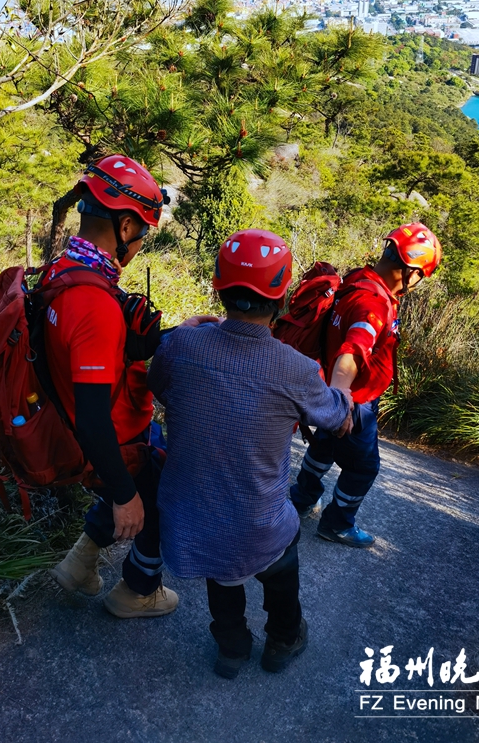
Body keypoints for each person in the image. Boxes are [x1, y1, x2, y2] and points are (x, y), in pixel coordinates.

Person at [147, 229, 353, 679]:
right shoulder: (296, 369)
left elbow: (158, 383)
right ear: (281, 297)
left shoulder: (181, 346)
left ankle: (232, 647)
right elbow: (337, 419)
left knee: (222, 568)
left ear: (219, 287)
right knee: (278, 544)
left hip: (190, 523)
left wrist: (184, 334)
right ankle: (283, 637)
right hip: (256, 527)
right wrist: (342, 381)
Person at [48, 154, 210, 618]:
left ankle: (80, 564)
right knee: (160, 497)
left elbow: (101, 349)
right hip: (112, 439)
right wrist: (125, 497)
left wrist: (173, 334)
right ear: (123, 228)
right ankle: (136, 593)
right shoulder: (94, 304)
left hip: (79, 426)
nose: (139, 244)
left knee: (146, 480)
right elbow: (94, 418)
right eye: (141, 232)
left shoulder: (67, 270)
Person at [290, 222, 442, 548]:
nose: (417, 284)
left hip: (333, 392)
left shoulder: (359, 279)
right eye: (420, 276)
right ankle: (338, 523)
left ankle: (302, 497)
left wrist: (331, 399)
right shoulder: (374, 306)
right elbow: (353, 351)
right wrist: (341, 400)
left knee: (325, 445)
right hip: (354, 402)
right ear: (410, 270)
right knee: (364, 467)